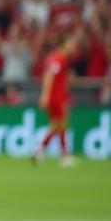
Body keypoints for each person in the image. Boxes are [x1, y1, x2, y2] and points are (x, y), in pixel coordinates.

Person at [32, 33, 81, 168]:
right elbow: (49, 76)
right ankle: (64, 157)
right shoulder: (59, 58)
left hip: (57, 96)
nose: (73, 46)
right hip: (56, 97)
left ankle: (40, 153)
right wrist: (45, 95)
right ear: (63, 44)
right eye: (71, 44)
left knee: (57, 126)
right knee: (61, 125)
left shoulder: (57, 58)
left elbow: (55, 76)